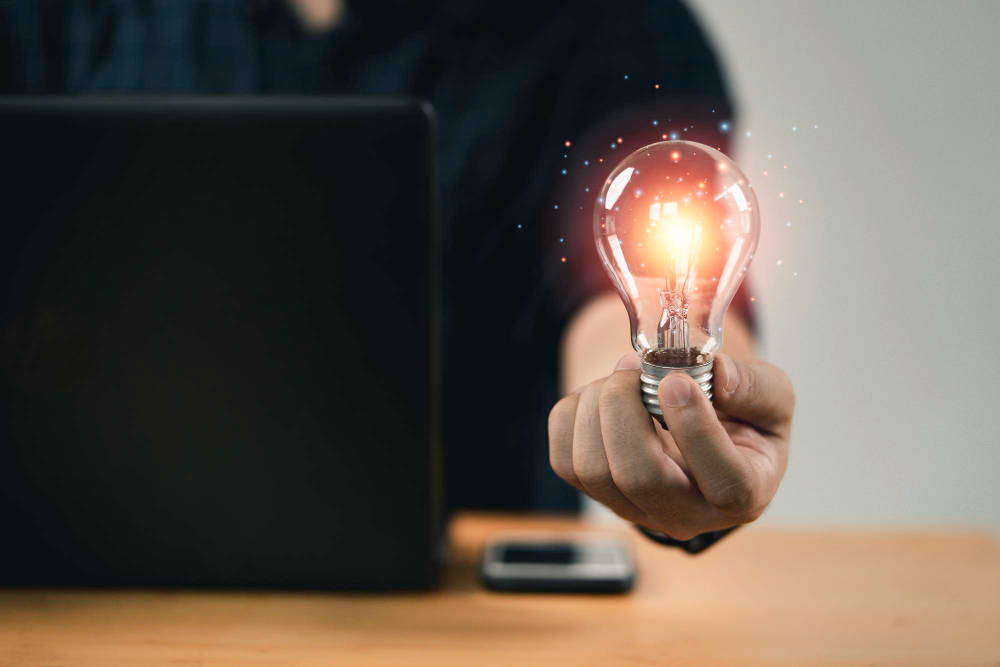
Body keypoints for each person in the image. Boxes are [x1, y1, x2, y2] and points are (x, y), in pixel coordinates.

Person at [0, 0, 793, 550]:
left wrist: (672, 430)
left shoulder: (611, 31)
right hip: (82, 592)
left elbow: (618, 301)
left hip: (464, 621)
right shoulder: (56, 15)